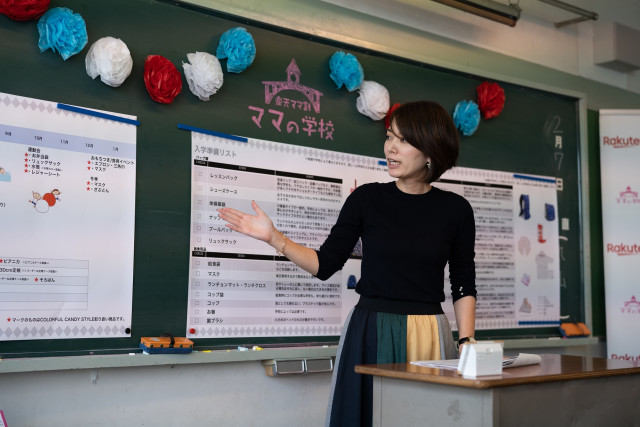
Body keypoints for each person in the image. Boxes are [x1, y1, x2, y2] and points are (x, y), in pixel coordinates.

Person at [218, 101, 477, 427]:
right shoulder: (366, 199)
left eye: (403, 140)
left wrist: (467, 342)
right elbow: (325, 264)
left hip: (429, 333)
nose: (390, 147)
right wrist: (274, 237)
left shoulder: (456, 210)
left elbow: (463, 280)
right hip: (369, 329)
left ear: (431, 150)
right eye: (389, 136)